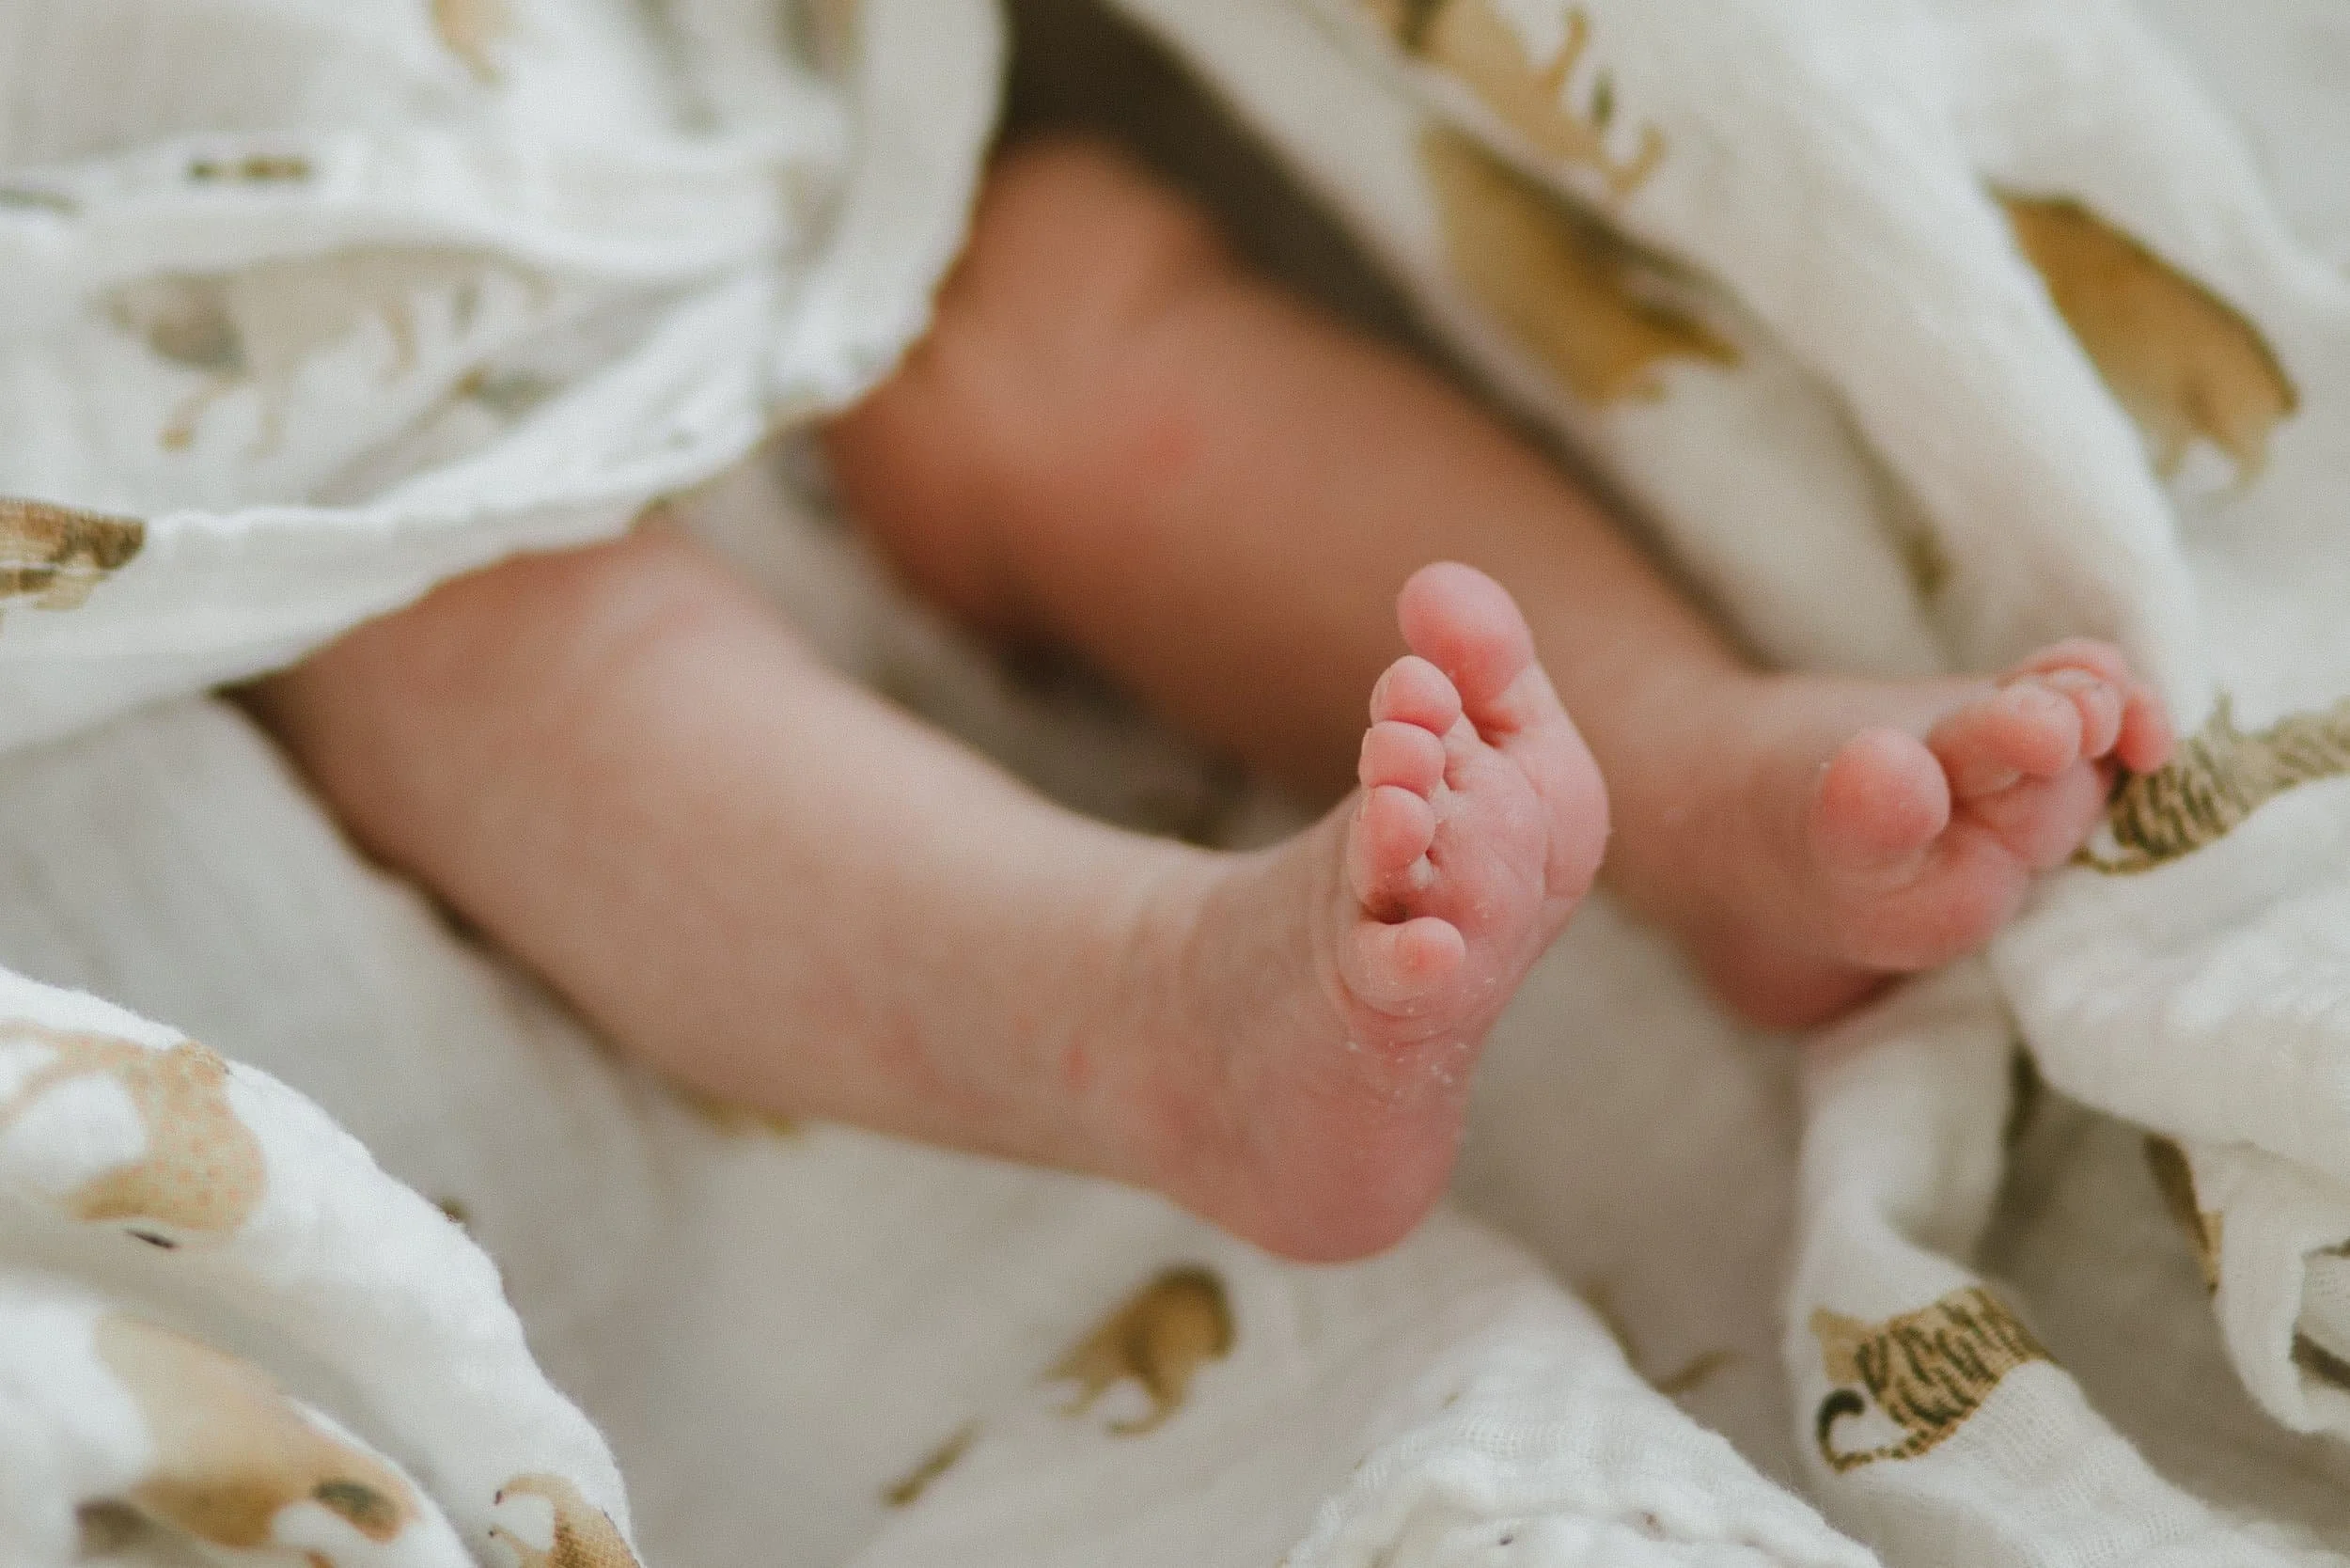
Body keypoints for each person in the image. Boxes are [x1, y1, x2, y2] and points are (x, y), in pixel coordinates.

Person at [247, 138, 2171, 1263]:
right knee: (462, 644)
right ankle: (1153, 1009)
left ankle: (1689, 770)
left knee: (1065, 312)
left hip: (706, 200)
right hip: (294, 444)